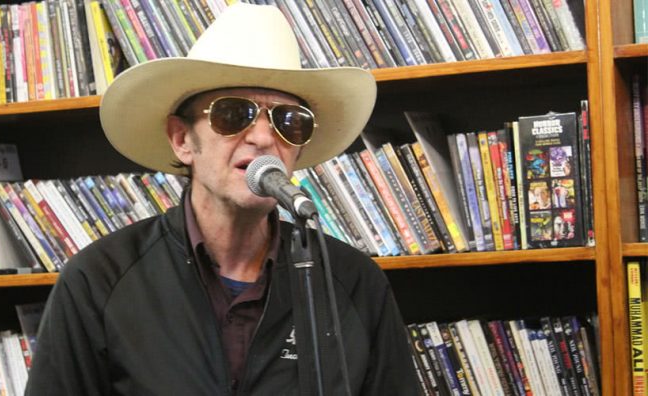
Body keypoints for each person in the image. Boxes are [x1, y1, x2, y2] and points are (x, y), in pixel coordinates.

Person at [25, 3, 418, 395]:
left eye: (288, 121)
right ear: (182, 140)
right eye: (233, 114)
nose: (264, 138)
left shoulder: (353, 283)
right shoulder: (99, 280)